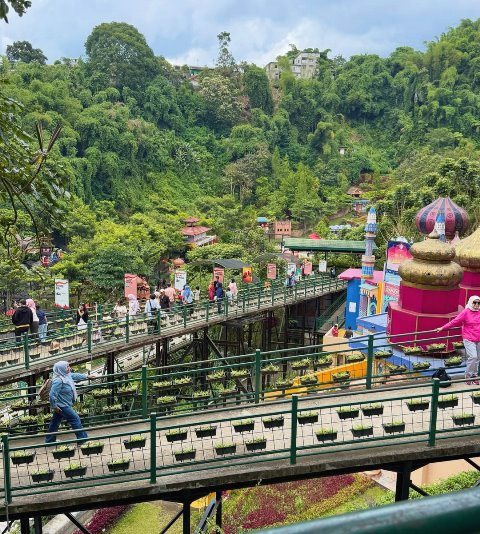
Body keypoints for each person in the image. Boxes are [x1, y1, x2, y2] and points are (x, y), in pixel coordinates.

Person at [45, 361, 94, 444]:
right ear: (61, 369)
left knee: (55, 422)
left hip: (64, 404)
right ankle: (82, 440)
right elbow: (52, 395)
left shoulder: (66, 376)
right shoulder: (58, 380)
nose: (69, 368)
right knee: (75, 419)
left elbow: (75, 375)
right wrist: (54, 406)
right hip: (62, 406)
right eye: (67, 367)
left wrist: (87, 376)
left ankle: (50, 440)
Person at [437, 295, 480, 384]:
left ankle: (474, 375)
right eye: (474, 302)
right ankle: (468, 375)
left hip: (478, 339)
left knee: (478, 358)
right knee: (473, 357)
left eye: (479, 303)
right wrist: (443, 328)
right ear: (470, 302)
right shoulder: (466, 312)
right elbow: (455, 321)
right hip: (469, 338)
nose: (477, 304)